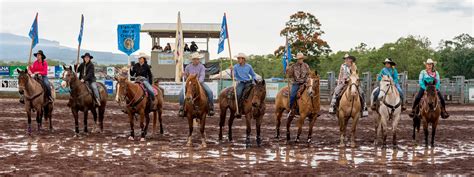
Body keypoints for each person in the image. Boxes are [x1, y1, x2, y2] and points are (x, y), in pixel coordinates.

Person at [178, 52, 215, 117]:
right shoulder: (188, 67)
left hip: (200, 83)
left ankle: (211, 107)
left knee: (210, 92)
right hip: (190, 84)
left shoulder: (202, 67)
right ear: (192, 60)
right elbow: (186, 76)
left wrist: (198, 82)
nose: (196, 60)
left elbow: (202, 76)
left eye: (197, 59)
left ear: (199, 59)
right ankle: (181, 108)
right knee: (181, 94)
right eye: (194, 59)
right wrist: (183, 75)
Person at [230, 53, 257, 117]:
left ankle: (257, 108)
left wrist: (254, 81)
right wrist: (231, 71)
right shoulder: (235, 67)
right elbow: (233, 76)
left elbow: (253, 75)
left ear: (243, 59)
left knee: (256, 92)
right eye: (238, 58)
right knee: (238, 93)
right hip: (241, 83)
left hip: (248, 82)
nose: (238, 59)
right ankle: (238, 108)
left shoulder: (249, 66)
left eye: (239, 58)